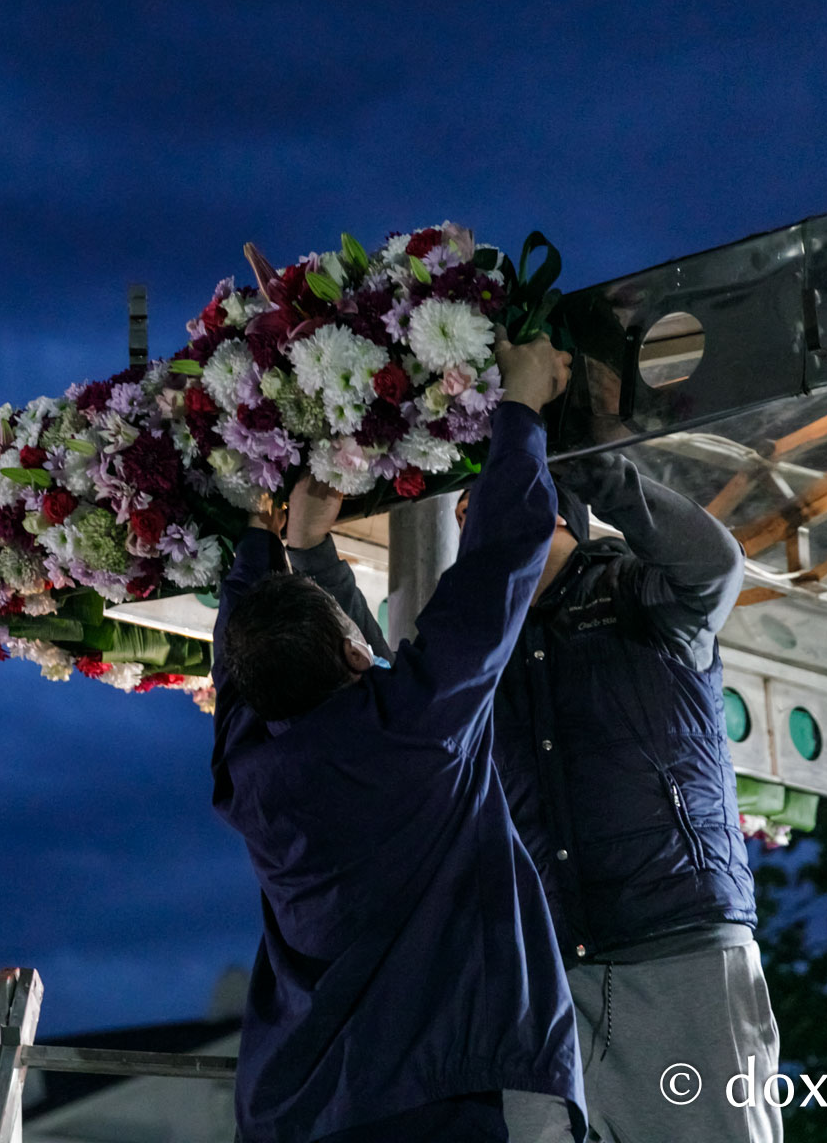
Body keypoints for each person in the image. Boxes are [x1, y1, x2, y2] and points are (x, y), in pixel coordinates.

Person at [211, 335, 586, 1143]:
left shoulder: (251, 767)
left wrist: (274, 544)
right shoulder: (416, 725)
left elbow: (239, 660)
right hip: (444, 1094)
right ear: (355, 651)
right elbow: (497, 569)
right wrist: (518, 406)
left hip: (298, 1111)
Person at [475, 378, 779, 1143]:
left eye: (475, 494)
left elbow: (714, 565)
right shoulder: (479, 644)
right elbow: (387, 700)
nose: (462, 514)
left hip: (676, 945)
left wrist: (591, 464)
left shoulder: (641, 592)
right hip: (550, 971)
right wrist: (306, 554)